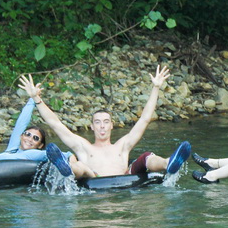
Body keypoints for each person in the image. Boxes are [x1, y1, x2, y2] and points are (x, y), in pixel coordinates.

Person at [18, 68, 191, 179]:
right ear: (91, 126)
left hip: (124, 178)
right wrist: (36, 98)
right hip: (94, 179)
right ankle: (67, 169)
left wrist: (156, 88)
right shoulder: (84, 146)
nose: (102, 126)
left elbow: (145, 119)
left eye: (106, 122)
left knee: (146, 157)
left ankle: (169, 163)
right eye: (98, 122)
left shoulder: (122, 145)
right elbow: (55, 123)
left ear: (111, 125)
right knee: (80, 166)